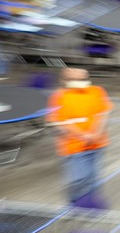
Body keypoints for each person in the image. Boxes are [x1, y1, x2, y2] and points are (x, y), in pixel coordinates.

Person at [47, 68, 112, 204]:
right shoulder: (58, 97)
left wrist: (96, 133)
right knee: (79, 178)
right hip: (74, 147)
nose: (80, 82)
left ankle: (91, 201)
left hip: (97, 144)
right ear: (63, 81)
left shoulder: (97, 91)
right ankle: (75, 200)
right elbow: (57, 122)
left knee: (93, 176)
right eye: (75, 79)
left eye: (83, 79)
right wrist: (84, 136)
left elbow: (103, 114)